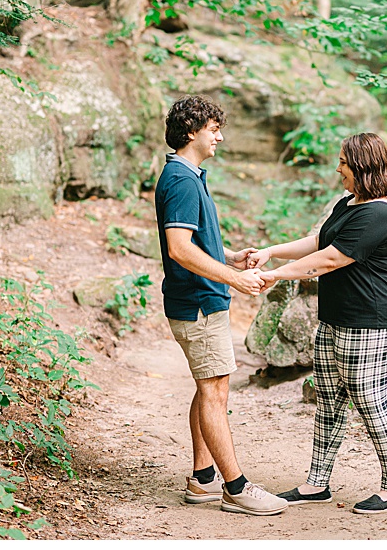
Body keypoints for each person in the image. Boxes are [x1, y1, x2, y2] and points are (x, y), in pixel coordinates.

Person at [248, 132, 387, 514]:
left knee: (370, 402)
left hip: (370, 321)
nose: (338, 168)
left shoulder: (380, 214)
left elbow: (330, 261)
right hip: (336, 318)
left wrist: (276, 275)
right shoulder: (350, 203)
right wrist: (271, 252)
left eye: (343, 162)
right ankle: (316, 484)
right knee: (330, 401)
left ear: (362, 166)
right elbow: (319, 242)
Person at [155, 95, 288, 517]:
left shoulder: (189, 175)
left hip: (200, 300)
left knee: (208, 386)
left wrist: (226, 255)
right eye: (214, 129)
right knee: (215, 392)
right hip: (198, 304)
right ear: (191, 130)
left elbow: (192, 238)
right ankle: (236, 488)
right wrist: (235, 278)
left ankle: (203, 478)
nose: (221, 136)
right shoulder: (180, 179)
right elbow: (178, 249)